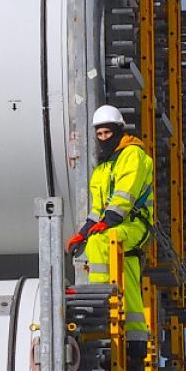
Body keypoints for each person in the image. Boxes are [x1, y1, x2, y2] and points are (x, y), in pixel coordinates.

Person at [67, 105, 154, 349]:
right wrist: (82, 233)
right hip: (117, 226)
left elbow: (125, 195)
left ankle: (99, 301)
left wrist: (108, 222)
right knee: (130, 285)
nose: (104, 138)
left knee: (101, 241)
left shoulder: (132, 155)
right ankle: (137, 344)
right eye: (100, 134)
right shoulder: (102, 168)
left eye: (108, 133)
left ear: (118, 131)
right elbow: (98, 209)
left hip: (135, 225)